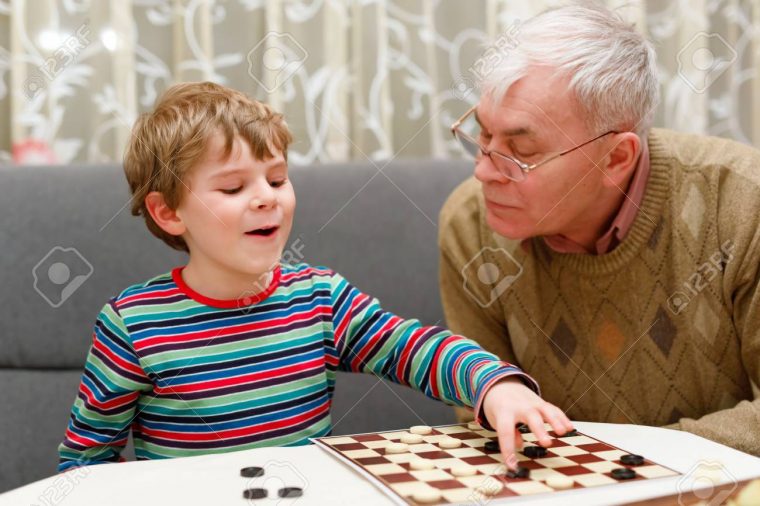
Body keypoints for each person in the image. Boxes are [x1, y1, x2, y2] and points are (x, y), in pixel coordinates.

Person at [58, 81, 573, 472]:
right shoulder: (133, 325)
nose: (267, 196)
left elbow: (409, 346)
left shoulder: (320, 298)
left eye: (278, 177)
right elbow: (86, 461)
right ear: (169, 212)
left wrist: (493, 384)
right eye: (234, 188)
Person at [439, 2, 760, 455]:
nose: (485, 172)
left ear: (616, 158)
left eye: (520, 149)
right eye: (482, 134)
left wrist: (628, 465)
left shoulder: (744, 203)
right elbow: (488, 417)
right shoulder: (470, 225)